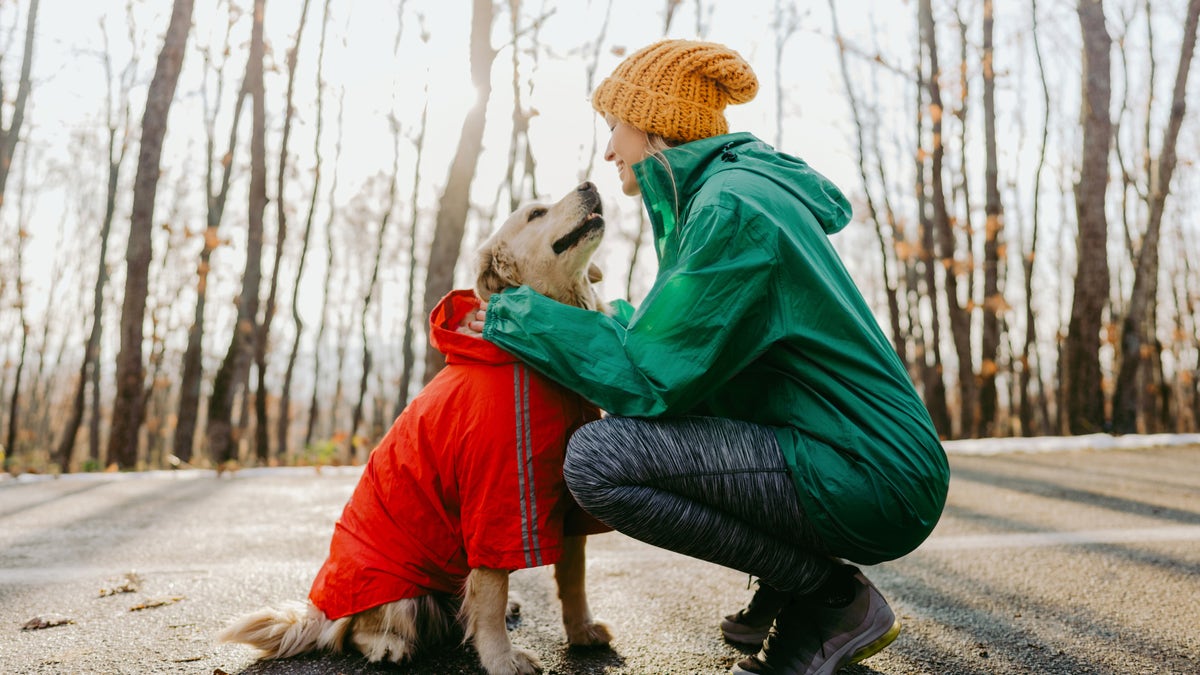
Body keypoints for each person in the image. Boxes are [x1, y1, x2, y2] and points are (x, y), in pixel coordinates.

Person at [466, 39, 949, 675]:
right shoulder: (726, 195)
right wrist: (605, 318)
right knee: (653, 434)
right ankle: (796, 582)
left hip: (868, 471)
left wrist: (515, 315)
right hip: (842, 450)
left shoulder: (731, 207)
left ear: (654, 124)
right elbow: (683, 351)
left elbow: (650, 378)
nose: (608, 149)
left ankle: (826, 594)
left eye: (615, 127)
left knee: (597, 461)